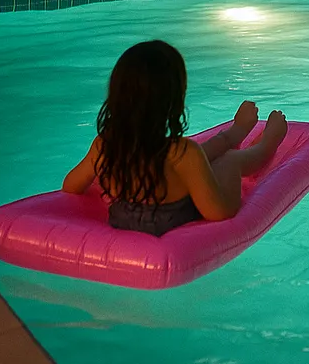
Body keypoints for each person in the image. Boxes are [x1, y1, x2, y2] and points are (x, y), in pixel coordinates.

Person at [62, 40, 288, 236]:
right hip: (170, 220)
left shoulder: (105, 146)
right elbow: (216, 212)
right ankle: (269, 140)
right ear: (172, 102)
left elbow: (71, 186)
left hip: (123, 217)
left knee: (187, 160)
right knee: (228, 161)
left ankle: (235, 133)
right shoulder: (183, 152)